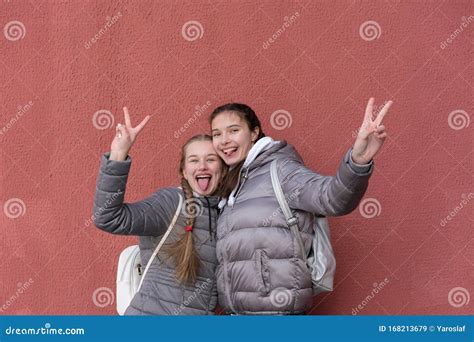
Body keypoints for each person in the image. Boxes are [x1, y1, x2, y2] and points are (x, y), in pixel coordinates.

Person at [209, 99, 392, 315]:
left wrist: (358, 161)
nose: (224, 140)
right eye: (216, 134)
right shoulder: (232, 184)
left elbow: (332, 198)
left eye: (233, 130)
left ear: (253, 133)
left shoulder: (280, 170)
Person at [92, 107, 224, 315]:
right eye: (194, 160)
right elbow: (108, 217)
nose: (202, 167)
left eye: (211, 159)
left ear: (222, 168)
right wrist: (118, 154)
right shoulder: (170, 203)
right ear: (183, 170)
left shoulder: (224, 213)